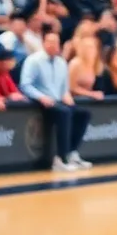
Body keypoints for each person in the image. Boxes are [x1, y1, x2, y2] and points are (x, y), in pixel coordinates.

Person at [19, 30, 92, 172]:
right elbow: (25, 85)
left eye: (56, 42)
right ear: (44, 43)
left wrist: (67, 96)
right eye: (50, 42)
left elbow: (64, 88)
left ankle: (72, 152)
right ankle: (60, 159)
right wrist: (41, 97)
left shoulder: (61, 62)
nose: (54, 45)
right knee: (64, 113)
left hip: (58, 101)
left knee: (83, 113)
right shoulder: (33, 60)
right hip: (40, 102)